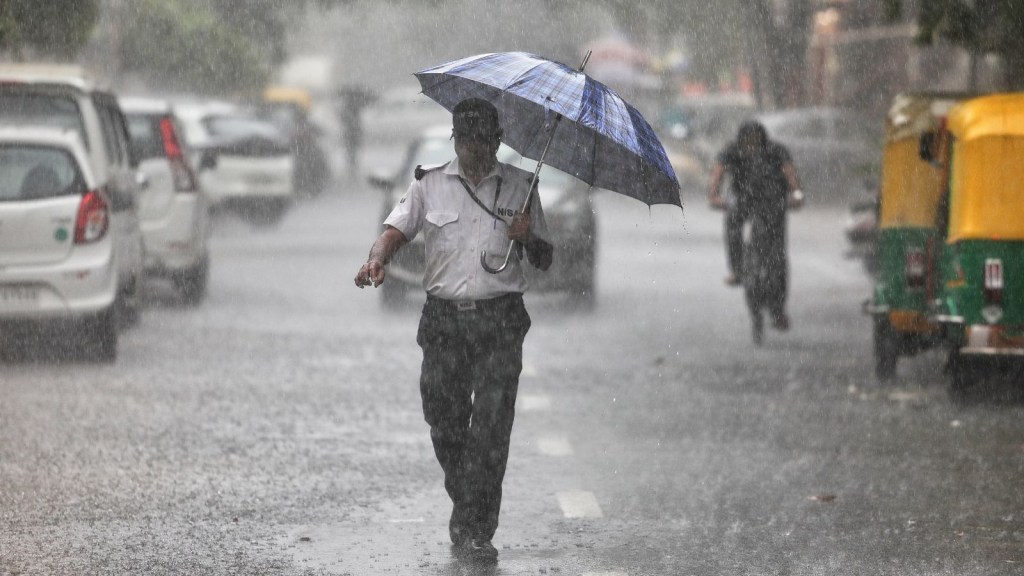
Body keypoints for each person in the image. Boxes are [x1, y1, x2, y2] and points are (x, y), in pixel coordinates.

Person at [353, 98, 553, 562]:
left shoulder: (522, 188)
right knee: (444, 422)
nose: (473, 150)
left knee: (490, 428)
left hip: (501, 320)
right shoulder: (429, 183)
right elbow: (395, 230)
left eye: (481, 140)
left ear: (496, 141)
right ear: (455, 140)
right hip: (443, 321)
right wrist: (377, 259)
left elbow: (545, 259)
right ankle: (469, 502)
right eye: (464, 140)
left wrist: (528, 236)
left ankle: (475, 527)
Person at [707, 120, 803, 329]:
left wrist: (796, 194)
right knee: (732, 227)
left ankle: (778, 310)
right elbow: (718, 173)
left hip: (772, 202)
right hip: (742, 200)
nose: (751, 147)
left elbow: (790, 174)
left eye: (755, 142)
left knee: (778, 258)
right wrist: (714, 195)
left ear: (763, 140)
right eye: (747, 142)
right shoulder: (731, 151)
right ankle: (737, 268)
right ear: (740, 141)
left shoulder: (776, 151)